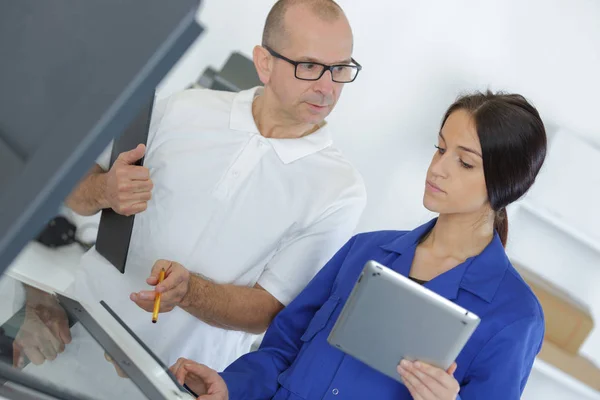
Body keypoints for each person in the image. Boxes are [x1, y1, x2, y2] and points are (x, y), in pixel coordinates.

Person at [22, 0, 365, 372]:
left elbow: (268, 310)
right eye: (310, 66)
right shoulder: (184, 108)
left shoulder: (339, 190)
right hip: (70, 338)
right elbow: (72, 187)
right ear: (265, 62)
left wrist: (191, 291)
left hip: (173, 381)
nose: (328, 87)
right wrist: (105, 189)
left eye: (340, 68)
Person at [170, 91, 548, 400]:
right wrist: (231, 386)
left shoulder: (515, 316)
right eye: (440, 148)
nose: (438, 168)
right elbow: (282, 350)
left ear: (506, 184)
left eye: (464, 163)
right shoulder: (365, 251)